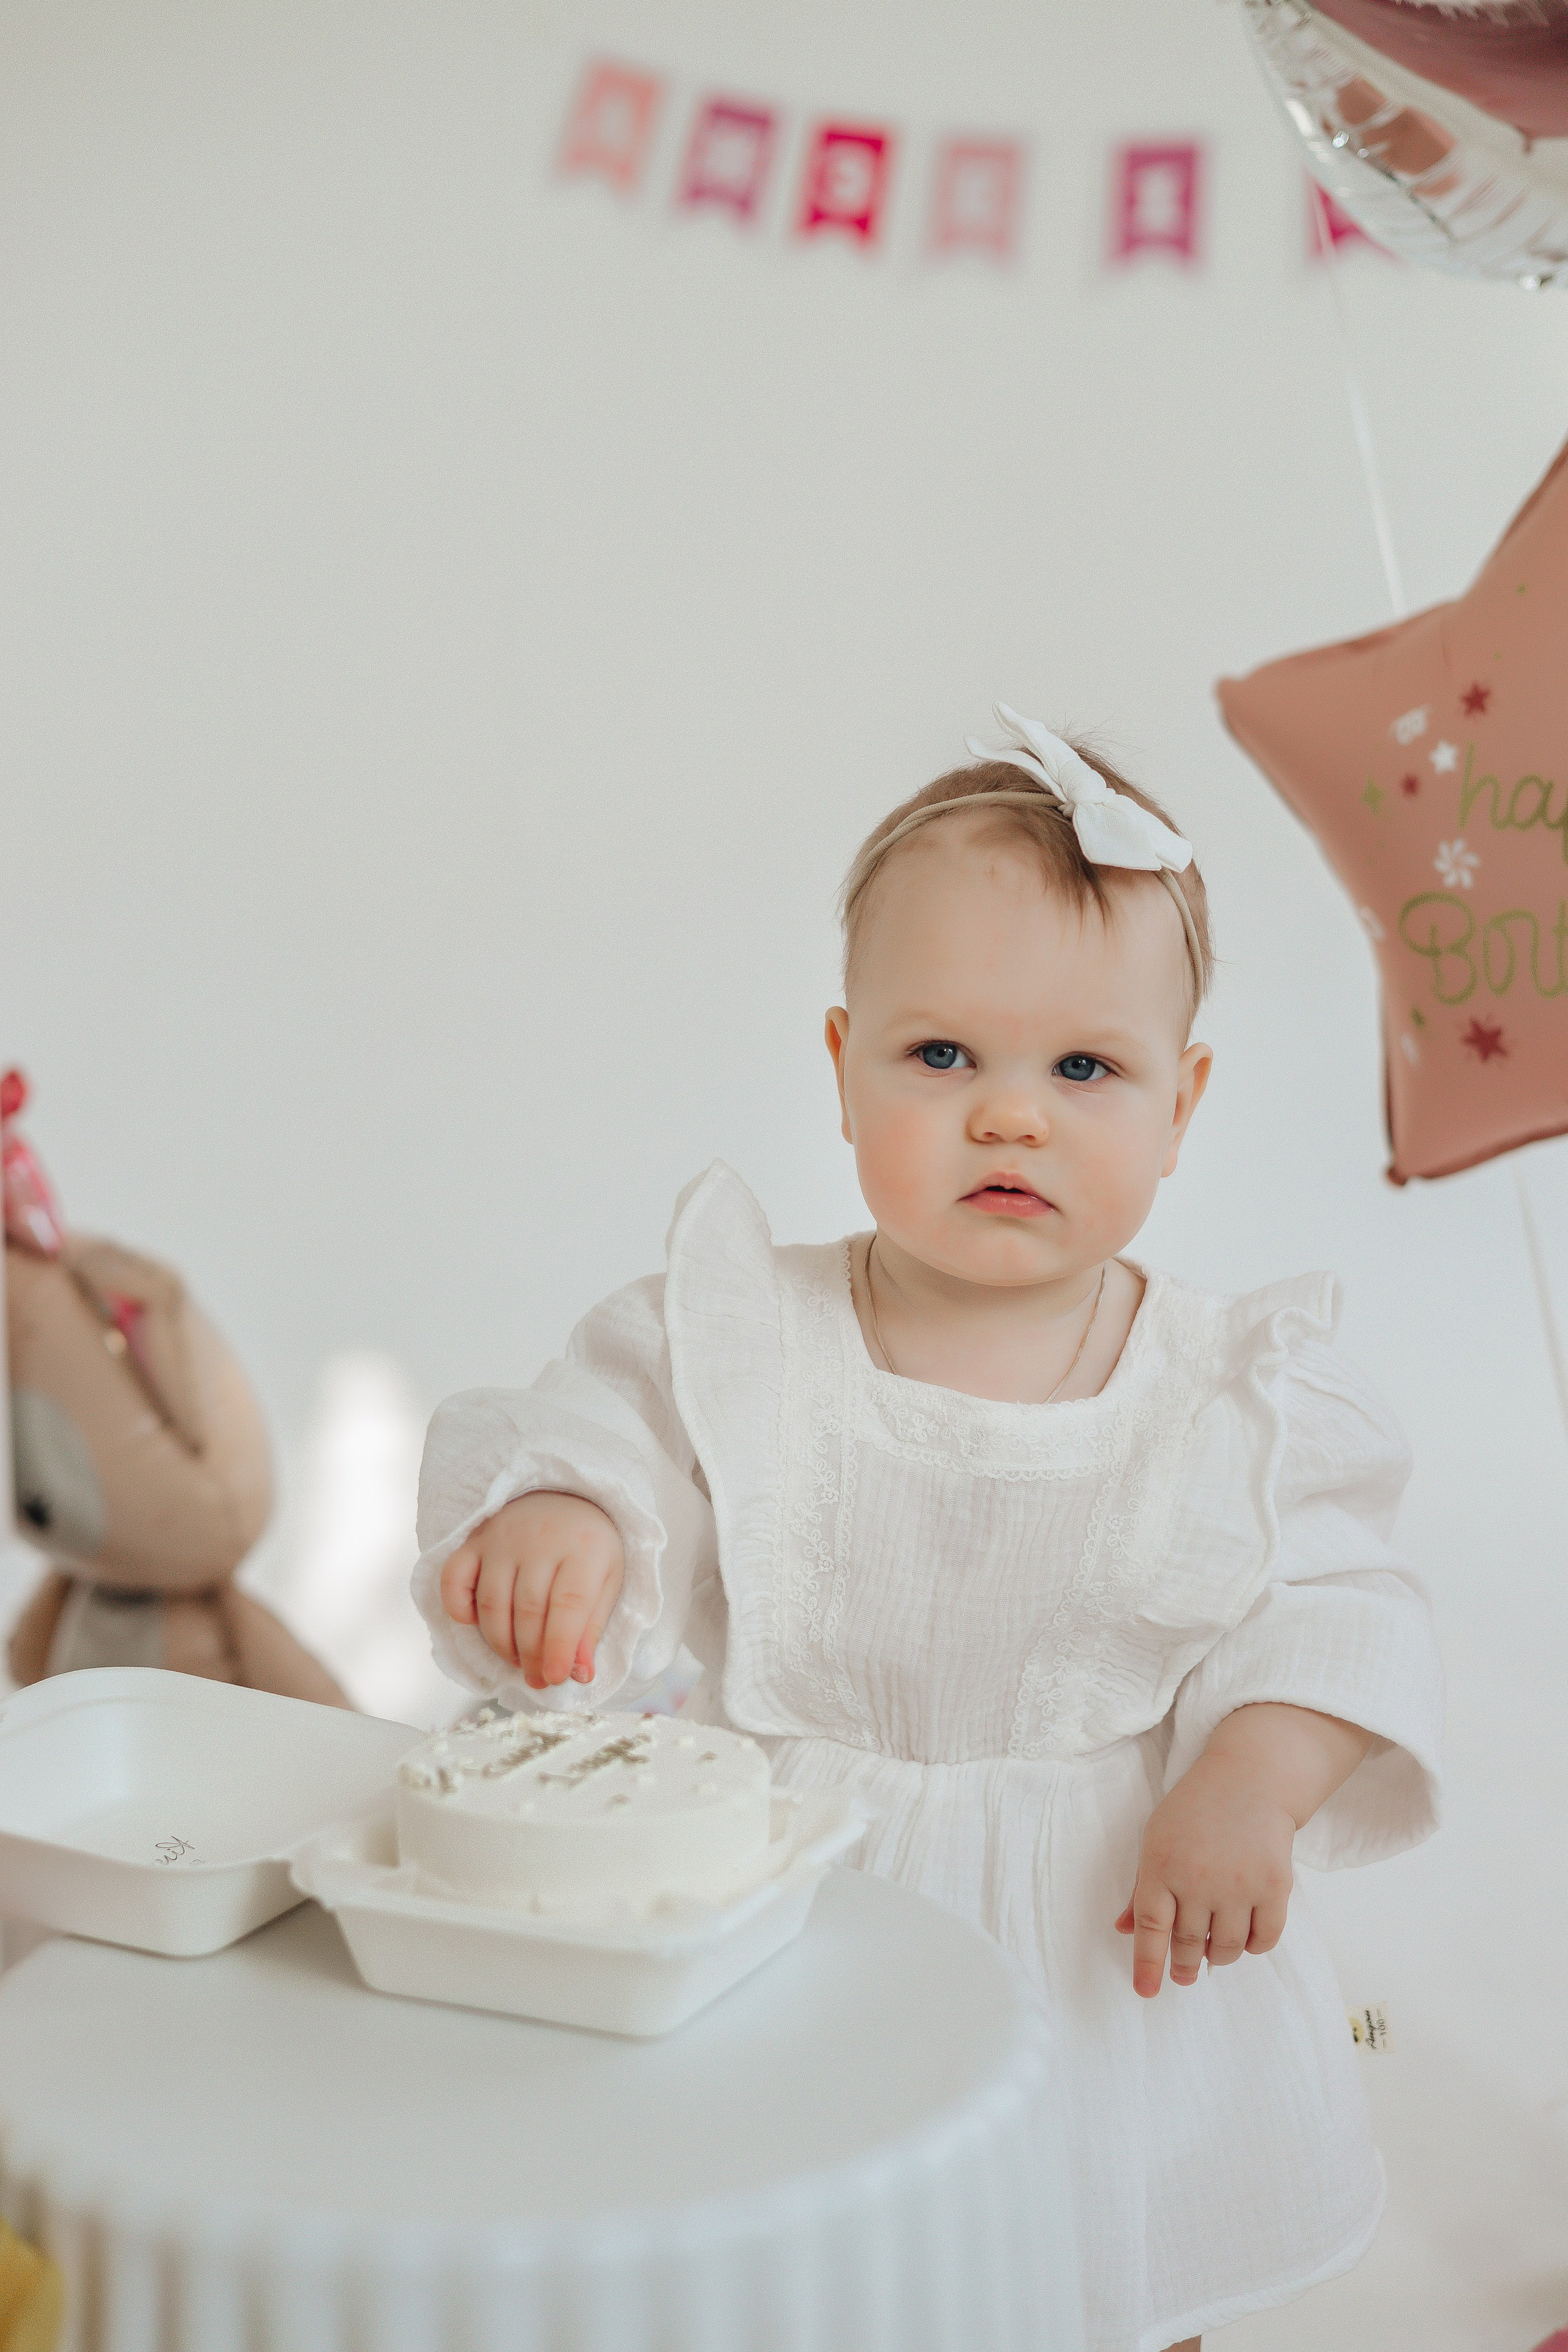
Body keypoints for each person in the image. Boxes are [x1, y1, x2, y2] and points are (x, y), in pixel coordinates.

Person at [412, 705, 1442, 2352]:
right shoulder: (741, 1332)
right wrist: (563, 1514)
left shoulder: (1238, 1391)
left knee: (1119, 2262)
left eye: (1084, 1069)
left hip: (1115, 1933)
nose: (1010, 1115)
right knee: (789, 2271)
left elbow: (1336, 1606)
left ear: (1182, 1105)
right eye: (943, 1056)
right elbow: (603, 1429)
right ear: (842, 1068)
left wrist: (1253, 1776)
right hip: (802, 1913)